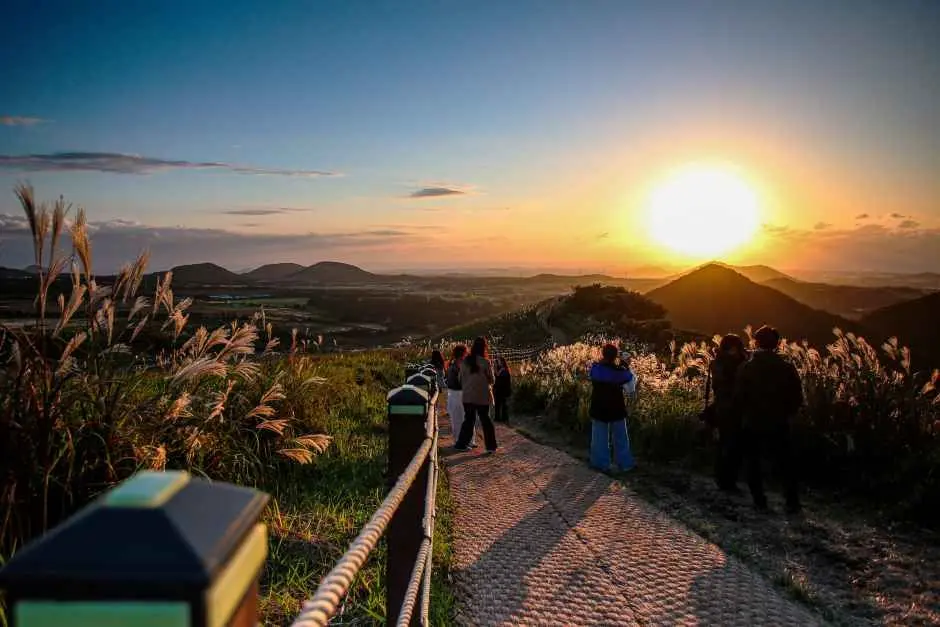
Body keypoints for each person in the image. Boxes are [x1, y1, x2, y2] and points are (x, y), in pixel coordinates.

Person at [734, 325, 804, 513]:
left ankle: (759, 500)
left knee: (753, 461)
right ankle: (792, 501)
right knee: (785, 462)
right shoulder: (787, 368)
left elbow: (739, 397)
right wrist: (787, 414)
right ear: (777, 344)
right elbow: (797, 397)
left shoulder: (746, 367)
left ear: (756, 342)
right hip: (779, 421)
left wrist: (744, 414)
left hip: (753, 421)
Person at [588, 344, 636, 472]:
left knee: (599, 438)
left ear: (603, 354)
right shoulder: (620, 373)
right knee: (620, 438)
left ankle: (600, 464)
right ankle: (625, 464)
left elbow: (595, 375)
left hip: (598, 407)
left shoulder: (595, 369)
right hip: (616, 408)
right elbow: (630, 388)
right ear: (615, 356)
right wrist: (626, 365)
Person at [710, 334, 748, 493]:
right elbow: (731, 385)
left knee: (725, 444)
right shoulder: (731, 364)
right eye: (738, 347)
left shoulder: (717, 362)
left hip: (723, 408)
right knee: (732, 445)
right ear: (733, 348)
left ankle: (723, 479)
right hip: (731, 409)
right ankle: (728, 482)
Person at [455, 337, 498, 453]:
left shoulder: (465, 362)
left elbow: (460, 379)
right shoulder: (485, 362)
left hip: (467, 396)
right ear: (484, 348)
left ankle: (461, 444)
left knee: (469, 420)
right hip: (482, 396)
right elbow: (492, 380)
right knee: (486, 421)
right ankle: (490, 447)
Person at [445, 345, 475, 447]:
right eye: (466, 352)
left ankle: (468, 440)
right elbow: (457, 381)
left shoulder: (456, 364)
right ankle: (460, 441)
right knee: (458, 419)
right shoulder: (454, 366)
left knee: (466, 418)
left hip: (459, 393)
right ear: (463, 353)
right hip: (457, 393)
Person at [493, 356, 513, 424]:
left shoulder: (504, 370)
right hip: (499, 389)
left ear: (502, 362)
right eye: (497, 361)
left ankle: (504, 418)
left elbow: (498, 375)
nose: (497, 362)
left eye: (498, 361)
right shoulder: (500, 369)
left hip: (503, 389)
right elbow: (496, 375)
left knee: (503, 404)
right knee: (498, 404)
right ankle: (499, 418)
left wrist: (497, 368)